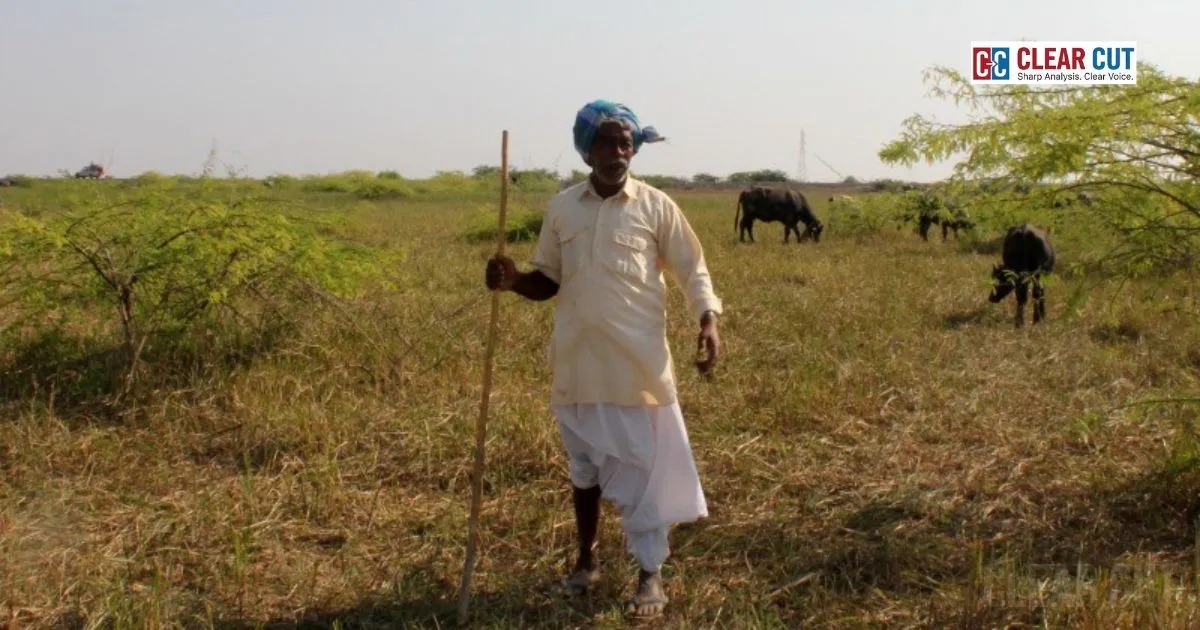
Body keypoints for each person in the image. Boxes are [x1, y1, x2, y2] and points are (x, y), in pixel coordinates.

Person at [484, 99, 723, 618]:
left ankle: (649, 574)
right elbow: (547, 279)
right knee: (585, 468)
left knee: (642, 473)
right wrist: (513, 281)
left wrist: (707, 320)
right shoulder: (563, 208)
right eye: (607, 142)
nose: (618, 152)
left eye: (625, 143)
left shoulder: (656, 206)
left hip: (638, 370)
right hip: (576, 365)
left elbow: (692, 269)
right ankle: (585, 560)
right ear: (585, 148)